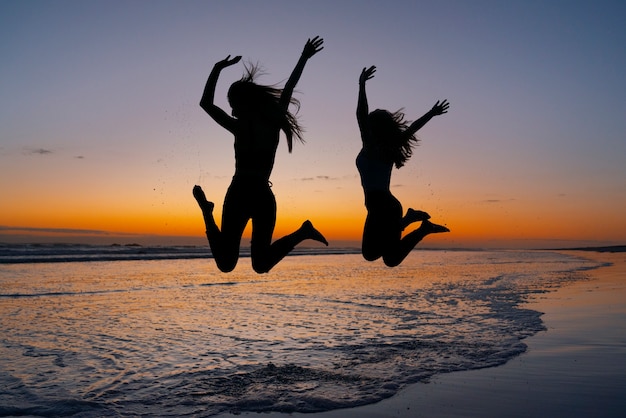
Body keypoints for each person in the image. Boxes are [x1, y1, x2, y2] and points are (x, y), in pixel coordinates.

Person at [193, 36, 328, 274]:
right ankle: (207, 212)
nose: (232, 110)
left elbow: (289, 89)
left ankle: (303, 232)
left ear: (246, 103)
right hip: (241, 193)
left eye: (233, 104)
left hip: (259, 195)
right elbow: (205, 104)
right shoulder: (245, 125)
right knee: (226, 264)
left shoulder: (261, 123)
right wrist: (216, 68)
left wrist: (304, 57)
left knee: (261, 264)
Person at [356, 65, 450, 267]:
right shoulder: (387, 147)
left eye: (369, 124)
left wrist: (361, 85)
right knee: (388, 257)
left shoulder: (373, 147)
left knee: (376, 255)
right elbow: (412, 128)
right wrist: (431, 113)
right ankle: (416, 224)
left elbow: (361, 116)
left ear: (373, 128)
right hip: (382, 206)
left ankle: (417, 226)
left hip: (383, 207)